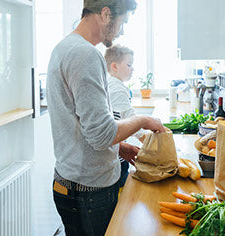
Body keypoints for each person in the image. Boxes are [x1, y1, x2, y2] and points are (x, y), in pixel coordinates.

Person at [46, 1, 165, 235]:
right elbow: (101, 135)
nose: (122, 30)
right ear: (106, 14)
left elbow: (81, 124)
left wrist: (118, 147)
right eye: (123, 21)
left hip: (71, 182)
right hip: (88, 192)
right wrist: (142, 120)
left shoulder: (64, 47)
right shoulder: (85, 54)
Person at [104, 45, 145, 189]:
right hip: (118, 159)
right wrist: (148, 139)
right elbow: (130, 119)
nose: (132, 68)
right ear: (114, 66)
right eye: (129, 64)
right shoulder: (117, 89)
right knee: (121, 194)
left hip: (115, 152)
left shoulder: (110, 84)